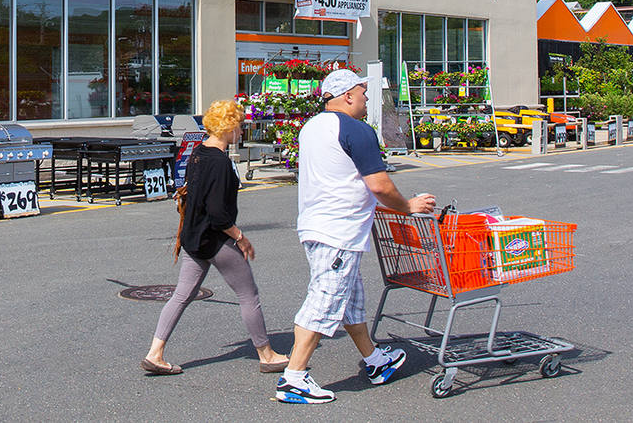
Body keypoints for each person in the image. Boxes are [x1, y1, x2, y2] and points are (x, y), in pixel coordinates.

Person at [274, 68, 436, 405]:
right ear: (348, 95)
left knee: (349, 300)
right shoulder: (357, 130)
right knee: (324, 299)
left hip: (318, 225)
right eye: (363, 92)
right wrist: (408, 206)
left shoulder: (312, 127)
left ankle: (375, 359)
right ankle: (294, 377)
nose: (366, 99)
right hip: (339, 231)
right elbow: (378, 184)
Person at [142, 99, 290, 376]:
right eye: (241, 125)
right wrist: (240, 237)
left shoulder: (198, 153)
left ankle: (155, 352)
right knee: (248, 295)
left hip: (192, 238)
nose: (242, 130)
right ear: (230, 126)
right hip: (215, 239)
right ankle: (266, 354)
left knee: (181, 296)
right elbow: (219, 214)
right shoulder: (220, 162)